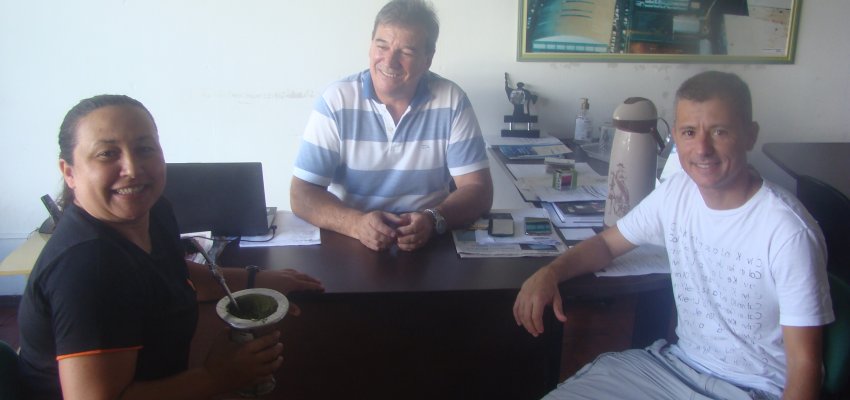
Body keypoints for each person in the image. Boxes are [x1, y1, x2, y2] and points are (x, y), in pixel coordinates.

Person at [513, 71, 834, 400]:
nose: (702, 148)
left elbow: (805, 364)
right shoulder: (677, 193)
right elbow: (607, 244)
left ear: (750, 135)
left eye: (720, 131)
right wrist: (549, 272)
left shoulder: (788, 231)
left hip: (751, 389)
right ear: (675, 137)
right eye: (689, 132)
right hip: (672, 366)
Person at [17, 94, 324, 400]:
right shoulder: (90, 267)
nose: (133, 168)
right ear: (69, 171)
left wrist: (258, 279)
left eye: (144, 148)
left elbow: (175, 275)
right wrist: (216, 378)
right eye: (107, 154)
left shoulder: (152, 211)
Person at [290, 0, 493, 252]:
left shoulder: (451, 100)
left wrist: (433, 218)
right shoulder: (336, 100)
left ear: (428, 59)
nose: (389, 61)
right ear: (370, 46)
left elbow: (479, 190)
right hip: (351, 243)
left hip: (430, 243)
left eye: (406, 52)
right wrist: (356, 224)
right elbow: (302, 194)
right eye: (381, 46)